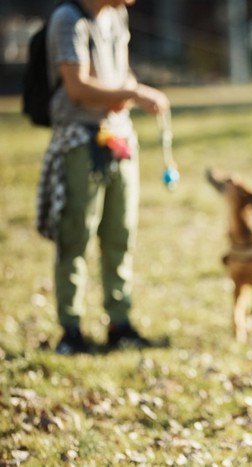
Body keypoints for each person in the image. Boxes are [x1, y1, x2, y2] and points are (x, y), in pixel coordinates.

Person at [38, 0, 170, 355]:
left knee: (120, 233)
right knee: (76, 235)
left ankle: (120, 323)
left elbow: (122, 75)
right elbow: (77, 87)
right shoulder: (69, 19)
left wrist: (127, 91)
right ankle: (71, 330)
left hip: (119, 138)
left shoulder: (117, 15)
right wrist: (132, 93)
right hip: (79, 140)